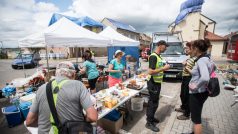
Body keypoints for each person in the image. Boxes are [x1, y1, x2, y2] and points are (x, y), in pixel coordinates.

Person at [26, 61, 98, 133]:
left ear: (56, 74)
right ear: (73, 74)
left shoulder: (41, 88)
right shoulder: (78, 85)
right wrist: (83, 119)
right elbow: (93, 117)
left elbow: (29, 122)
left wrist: (44, 123)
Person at [186, 39, 215, 134]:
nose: (191, 50)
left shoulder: (201, 60)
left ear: (197, 49)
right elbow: (213, 69)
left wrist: (196, 86)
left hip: (197, 93)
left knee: (196, 119)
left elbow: (205, 78)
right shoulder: (208, 59)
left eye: (192, 48)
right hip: (203, 92)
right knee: (197, 114)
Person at [146, 40, 170, 132]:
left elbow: (157, 69)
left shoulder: (159, 56)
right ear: (159, 45)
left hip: (157, 82)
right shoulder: (153, 56)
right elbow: (150, 71)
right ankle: (149, 122)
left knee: (155, 102)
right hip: (153, 83)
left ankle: (151, 118)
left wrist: (164, 68)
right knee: (153, 103)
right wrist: (164, 68)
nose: (166, 48)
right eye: (165, 46)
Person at [175, 42, 197, 120]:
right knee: (182, 95)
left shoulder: (195, 59)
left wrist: (185, 66)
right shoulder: (189, 57)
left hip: (189, 79)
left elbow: (196, 72)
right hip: (185, 78)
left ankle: (186, 114)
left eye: (187, 48)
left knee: (187, 97)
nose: (186, 49)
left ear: (192, 49)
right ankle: (183, 108)